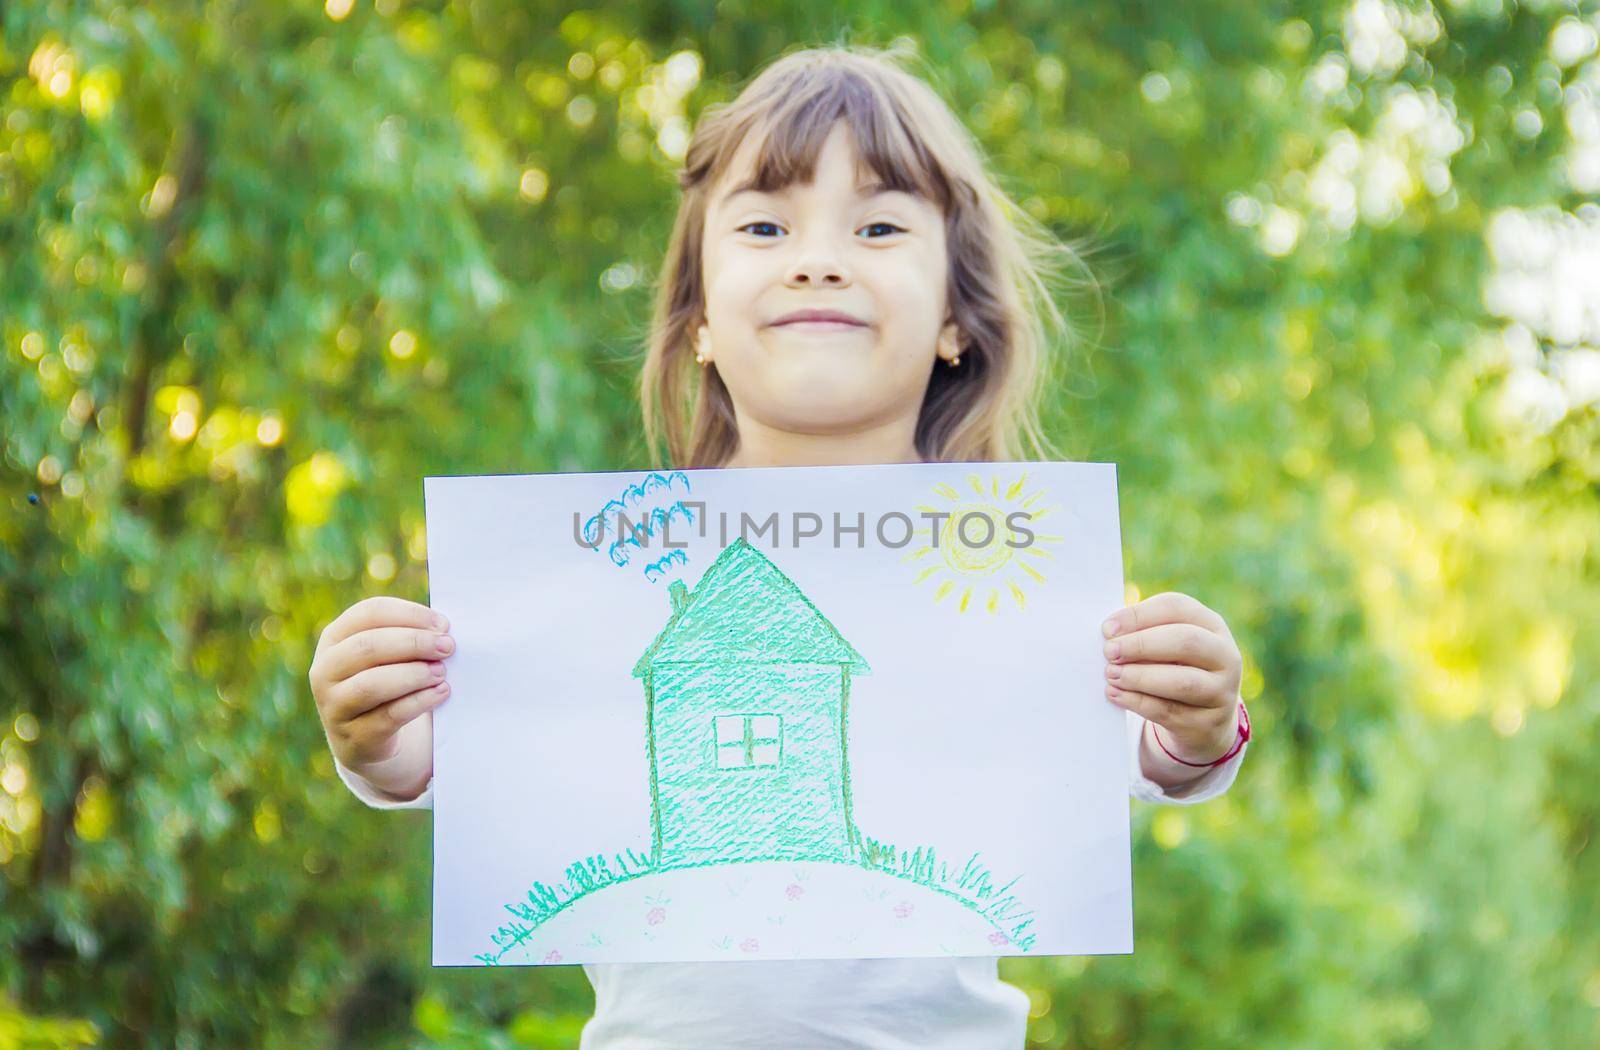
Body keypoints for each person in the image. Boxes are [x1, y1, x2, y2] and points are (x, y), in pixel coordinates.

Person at [308, 44, 1250, 1049]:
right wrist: (378, 737)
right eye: (764, 226)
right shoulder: (616, 572)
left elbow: (1118, 757)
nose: (817, 259)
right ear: (700, 322)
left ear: (955, 322)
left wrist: (1189, 724)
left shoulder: (1001, 575)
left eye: (879, 227)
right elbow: (491, 754)